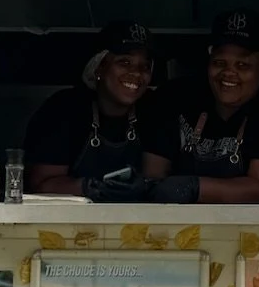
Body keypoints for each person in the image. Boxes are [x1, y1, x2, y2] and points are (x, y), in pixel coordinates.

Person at [137, 7, 259, 205]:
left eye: (242, 65)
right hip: (186, 229)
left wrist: (193, 188)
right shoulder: (176, 97)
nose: (228, 73)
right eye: (219, 62)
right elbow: (154, 174)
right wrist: (144, 187)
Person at [23, 22, 159, 198]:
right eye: (124, 62)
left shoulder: (153, 110)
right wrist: (90, 187)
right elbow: (41, 186)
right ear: (99, 67)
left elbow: (159, 182)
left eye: (145, 66)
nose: (137, 73)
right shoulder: (63, 110)